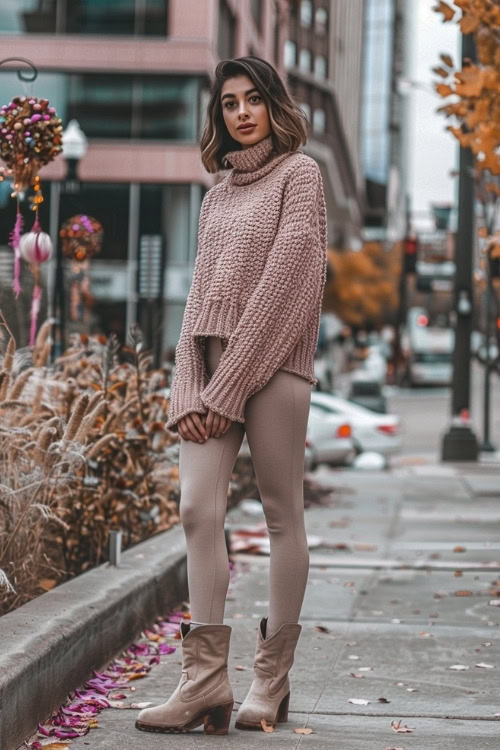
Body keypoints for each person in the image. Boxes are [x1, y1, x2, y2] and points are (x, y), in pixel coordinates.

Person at [136, 55, 328, 736]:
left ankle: (269, 681)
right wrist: (190, 386)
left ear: (274, 105)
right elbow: (197, 296)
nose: (241, 112)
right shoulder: (216, 194)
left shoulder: (300, 177)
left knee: (282, 518)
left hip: (274, 367)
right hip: (213, 373)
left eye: (252, 99)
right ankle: (203, 680)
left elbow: (284, 292)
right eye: (228, 103)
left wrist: (227, 387)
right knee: (196, 510)